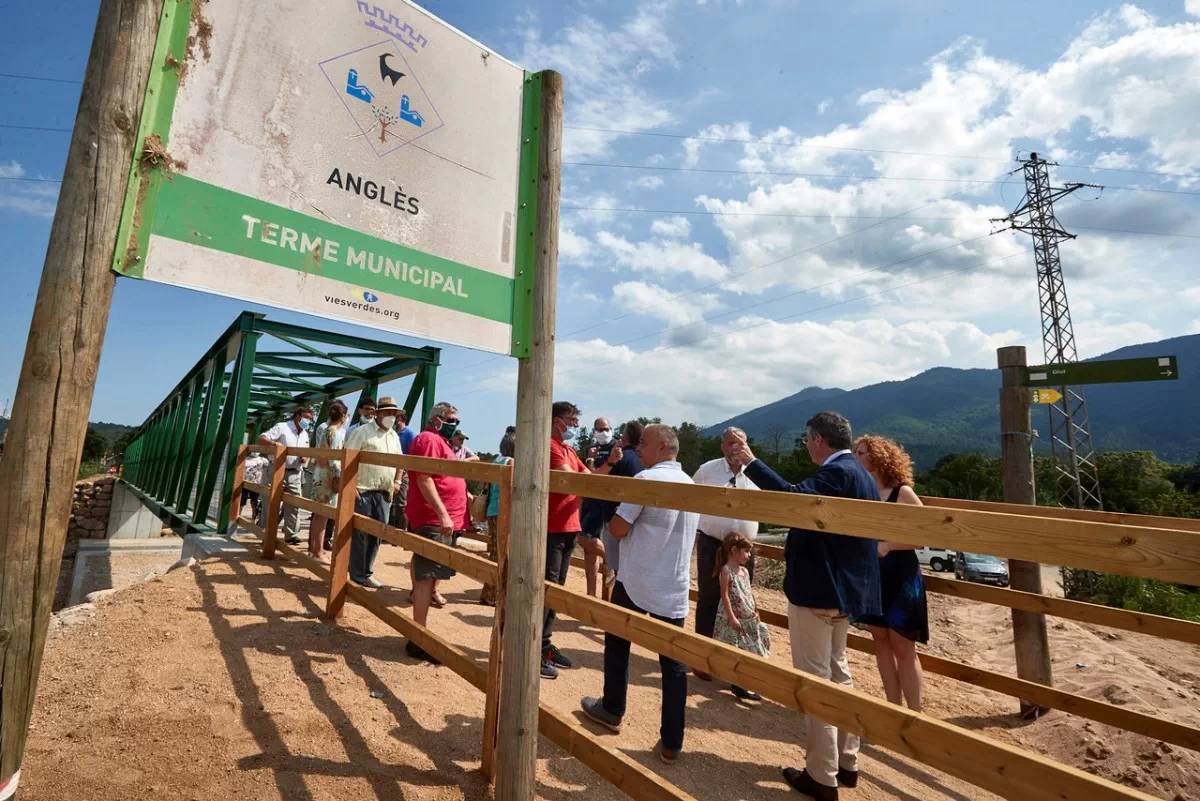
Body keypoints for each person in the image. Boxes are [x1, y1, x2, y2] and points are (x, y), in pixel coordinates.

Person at [729, 412, 881, 801]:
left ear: (818, 440)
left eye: (807, 438)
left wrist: (749, 460)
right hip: (843, 594)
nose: (806, 443)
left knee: (816, 684)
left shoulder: (838, 472)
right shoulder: (859, 472)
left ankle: (822, 776)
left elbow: (792, 502)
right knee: (839, 674)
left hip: (819, 592)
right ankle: (847, 764)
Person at [581, 424, 699, 765]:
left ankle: (612, 709)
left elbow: (618, 529)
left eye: (644, 444)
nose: (639, 450)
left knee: (618, 642)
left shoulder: (645, 482)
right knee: (673, 662)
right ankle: (671, 741)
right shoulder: (690, 484)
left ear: (662, 447)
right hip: (673, 584)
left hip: (637, 580)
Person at [852, 435, 927, 712]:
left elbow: (924, 536)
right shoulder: (860, 491)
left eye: (861, 453)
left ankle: (915, 714)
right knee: (880, 643)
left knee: (904, 647)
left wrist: (888, 546)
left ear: (878, 457)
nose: (856, 457)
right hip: (872, 575)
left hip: (901, 575)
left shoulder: (902, 493)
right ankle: (893, 708)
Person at [691, 426, 760, 682]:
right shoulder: (707, 470)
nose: (735, 448)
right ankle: (702, 660)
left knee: (743, 602)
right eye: (730, 443)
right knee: (709, 599)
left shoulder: (757, 473)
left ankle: (736, 662)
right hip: (713, 545)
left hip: (744, 550)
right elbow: (689, 500)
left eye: (739, 442)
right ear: (722, 446)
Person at [405, 400, 469, 663]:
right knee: (425, 576)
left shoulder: (443, 444)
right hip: (434, 518)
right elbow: (424, 478)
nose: (454, 423)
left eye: (455, 419)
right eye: (450, 418)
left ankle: (420, 633)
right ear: (437, 418)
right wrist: (443, 513)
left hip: (444, 519)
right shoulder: (429, 438)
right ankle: (417, 638)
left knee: (430, 577)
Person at [542, 401, 588, 679]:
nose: (573, 426)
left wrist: (609, 463)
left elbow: (589, 478)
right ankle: (534, 649)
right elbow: (573, 479)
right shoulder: (548, 445)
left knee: (556, 590)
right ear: (557, 420)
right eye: (570, 420)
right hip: (552, 527)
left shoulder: (569, 449)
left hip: (570, 526)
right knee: (546, 589)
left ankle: (544, 645)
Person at [344, 397, 404, 589]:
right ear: (378, 414)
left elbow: (400, 461)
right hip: (364, 490)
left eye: (394, 414)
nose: (391, 417)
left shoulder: (394, 436)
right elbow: (348, 458)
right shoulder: (362, 432)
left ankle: (366, 572)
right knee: (360, 533)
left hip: (384, 493)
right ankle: (358, 575)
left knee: (377, 535)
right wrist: (350, 487)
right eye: (387, 413)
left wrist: (397, 481)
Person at [713, 532, 771, 701]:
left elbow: (749, 593)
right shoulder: (726, 572)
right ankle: (739, 685)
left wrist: (756, 611)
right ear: (734, 550)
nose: (749, 555)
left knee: (752, 648)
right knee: (738, 650)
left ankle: (744, 682)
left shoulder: (744, 571)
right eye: (746, 551)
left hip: (748, 617)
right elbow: (725, 596)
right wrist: (731, 617)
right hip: (735, 618)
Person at [587, 421, 644, 584]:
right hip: (639, 520)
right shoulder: (645, 459)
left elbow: (593, 482)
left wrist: (590, 460)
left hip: (615, 518)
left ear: (624, 438)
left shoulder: (618, 458)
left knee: (621, 571)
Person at [258, 406, 313, 545]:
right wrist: (274, 444)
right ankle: (265, 533)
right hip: (276, 470)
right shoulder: (282, 427)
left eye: (310, 419)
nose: (308, 421)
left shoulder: (305, 434)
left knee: (294, 503)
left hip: (294, 472)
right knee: (270, 503)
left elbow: (307, 452)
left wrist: (305, 457)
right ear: (297, 416)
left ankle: (290, 534)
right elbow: (262, 438)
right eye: (306, 418)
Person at [576, 417, 615, 597]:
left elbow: (596, 476)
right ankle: (591, 595)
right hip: (589, 500)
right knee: (588, 550)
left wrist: (591, 461)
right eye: (599, 430)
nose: (603, 432)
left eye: (605, 429)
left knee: (585, 538)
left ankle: (611, 560)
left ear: (611, 429)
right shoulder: (592, 449)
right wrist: (590, 458)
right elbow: (587, 476)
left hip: (603, 501)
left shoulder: (616, 448)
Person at [308, 400, 348, 563]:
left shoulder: (327, 430)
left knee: (320, 514)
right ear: (343, 416)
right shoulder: (335, 432)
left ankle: (316, 549)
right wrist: (338, 477)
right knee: (323, 515)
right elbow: (333, 458)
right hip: (329, 477)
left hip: (321, 474)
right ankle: (318, 551)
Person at [480, 429, 516, 606]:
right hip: (505, 512)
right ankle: (492, 594)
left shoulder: (496, 460)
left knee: (495, 551)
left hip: (492, 511)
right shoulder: (511, 463)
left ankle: (489, 592)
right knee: (503, 554)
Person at [388, 409, 414, 534]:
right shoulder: (392, 433)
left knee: (401, 503)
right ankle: (390, 532)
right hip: (391, 470)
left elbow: (414, 453)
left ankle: (400, 531)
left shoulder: (409, 434)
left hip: (403, 472)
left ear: (399, 419)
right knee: (391, 501)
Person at [242, 449, 269, 525]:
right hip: (244, 483)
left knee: (254, 502)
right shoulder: (245, 459)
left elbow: (269, 468)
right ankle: (238, 516)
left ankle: (253, 518)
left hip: (256, 483)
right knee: (241, 501)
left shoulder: (263, 460)